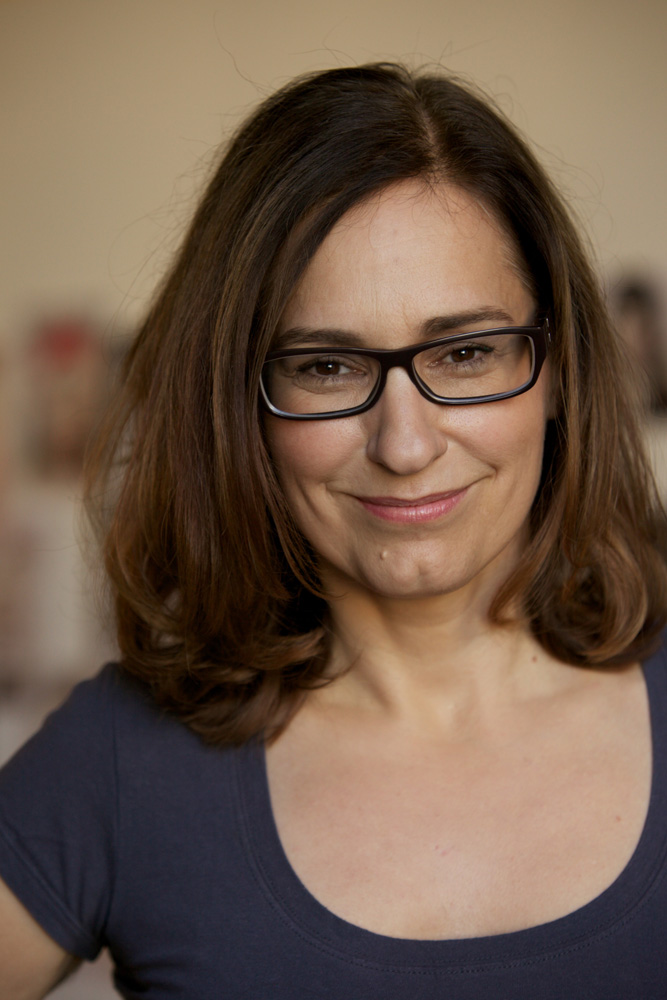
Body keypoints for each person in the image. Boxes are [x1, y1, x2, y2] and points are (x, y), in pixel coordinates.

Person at [1, 62, 666, 999]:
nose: (404, 445)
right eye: (325, 366)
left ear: (557, 370)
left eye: (466, 352)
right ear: (240, 404)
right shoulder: (119, 762)